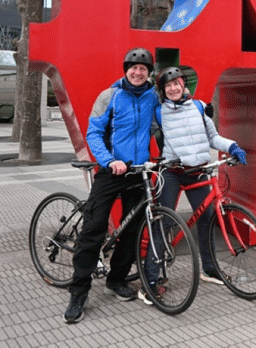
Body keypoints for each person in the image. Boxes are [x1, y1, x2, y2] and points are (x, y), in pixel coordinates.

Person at [64, 47, 159, 324]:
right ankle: (78, 291)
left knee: (131, 230)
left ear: (148, 73)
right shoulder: (110, 96)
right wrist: (108, 161)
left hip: (138, 172)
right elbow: (93, 133)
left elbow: (166, 121)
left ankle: (116, 280)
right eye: (133, 67)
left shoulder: (153, 96)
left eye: (143, 68)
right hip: (111, 170)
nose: (138, 72)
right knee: (93, 230)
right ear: (125, 69)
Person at [140, 66, 247, 305]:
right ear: (163, 90)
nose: (173, 88)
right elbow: (142, 133)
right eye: (168, 86)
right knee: (163, 222)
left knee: (207, 220)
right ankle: (151, 280)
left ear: (183, 85)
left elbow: (213, 137)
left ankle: (209, 269)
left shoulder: (198, 107)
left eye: (176, 83)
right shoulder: (159, 112)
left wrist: (232, 146)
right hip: (173, 172)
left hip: (198, 172)